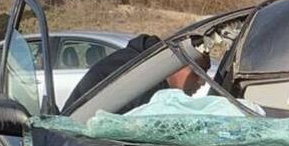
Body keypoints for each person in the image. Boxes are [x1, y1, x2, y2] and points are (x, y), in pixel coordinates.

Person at [64, 34, 210, 112]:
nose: (202, 82)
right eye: (198, 73)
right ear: (177, 64)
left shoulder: (148, 68)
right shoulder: (139, 76)